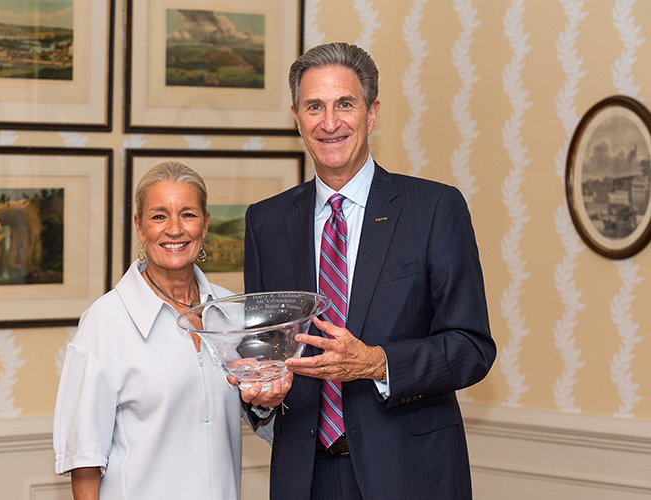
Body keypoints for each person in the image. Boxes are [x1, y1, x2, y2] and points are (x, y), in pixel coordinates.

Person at [242, 42, 497, 499]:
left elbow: (471, 348)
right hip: (304, 477)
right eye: (314, 106)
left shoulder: (434, 209)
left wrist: (378, 363)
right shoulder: (265, 222)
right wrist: (262, 396)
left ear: (372, 112)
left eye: (345, 104)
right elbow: (263, 355)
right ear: (297, 119)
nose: (330, 122)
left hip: (411, 475)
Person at [53, 161, 271, 499]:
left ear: (205, 223)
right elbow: (85, 458)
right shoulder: (105, 322)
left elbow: (261, 416)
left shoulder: (231, 314)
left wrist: (267, 398)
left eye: (187, 214)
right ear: (140, 228)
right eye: (159, 216)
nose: (174, 229)